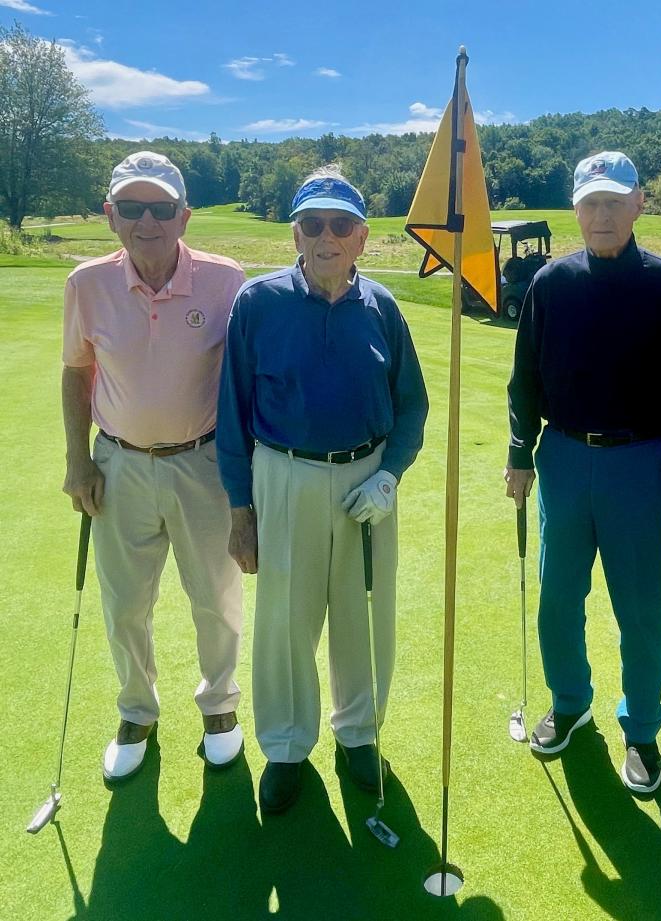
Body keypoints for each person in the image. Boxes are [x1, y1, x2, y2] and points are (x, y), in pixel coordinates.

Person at [217, 167, 428, 814]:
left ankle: (358, 733)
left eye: (341, 224)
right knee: (284, 623)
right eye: (313, 223)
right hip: (283, 476)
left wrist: (390, 473)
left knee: (363, 618)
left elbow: (411, 408)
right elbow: (233, 413)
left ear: (362, 237)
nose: (326, 236)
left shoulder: (383, 308)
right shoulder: (258, 303)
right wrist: (241, 510)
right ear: (296, 234)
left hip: (367, 482)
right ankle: (285, 745)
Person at [504, 151, 661, 793]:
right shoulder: (550, 283)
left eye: (615, 202)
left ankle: (642, 730)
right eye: (592, 203)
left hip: (639, 463)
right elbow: (525, 380)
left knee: (641, 609)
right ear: (576, 208)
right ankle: (571, 703)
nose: (603, 214)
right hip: (562, 459)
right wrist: (518, 455)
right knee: (558, 598)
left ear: (638, 203)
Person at [61, 151, 246, 781]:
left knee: (216, 598)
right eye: (133, 207)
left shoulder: (228, 280)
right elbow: (77, 371)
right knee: (125, 602)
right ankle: (137, 710)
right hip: (119, 466)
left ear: (183, 216)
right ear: (111, 215)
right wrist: (77, 458)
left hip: (203, 464)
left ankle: (219, 706)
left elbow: (247, 378)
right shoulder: (87, 284)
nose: (148, 220)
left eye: (161, 208)